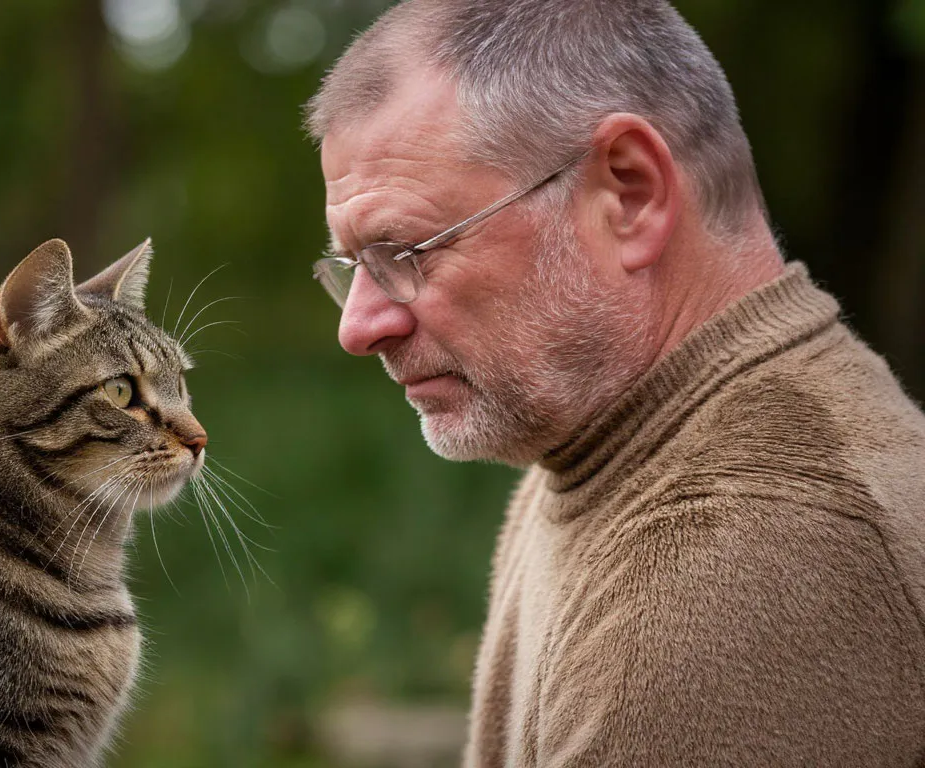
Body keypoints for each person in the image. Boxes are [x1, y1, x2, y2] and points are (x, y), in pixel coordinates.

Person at [305, 1, 925, 765]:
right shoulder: (603, 443)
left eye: (405, 251)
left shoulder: (743, 564)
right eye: (352, 266)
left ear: (630, 193)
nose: (359, 327)